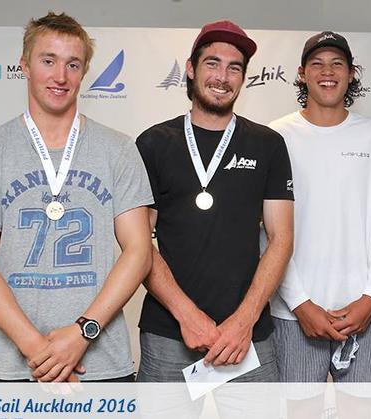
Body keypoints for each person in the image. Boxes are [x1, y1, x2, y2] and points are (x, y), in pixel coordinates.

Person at [0, 12, 153, 382]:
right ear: (24, 65)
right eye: (48, 61)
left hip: (101, 366)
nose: (60, 76)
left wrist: (82, 332)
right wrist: (40, 352)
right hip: (17, 367)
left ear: (84, 72)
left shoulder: (118, 149)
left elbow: (138, 251)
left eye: (72, 64)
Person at [135, 20, 294, 384]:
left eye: (234, 68)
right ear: (190, 69)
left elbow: (281, 238)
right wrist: (188, 316)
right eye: (212, 63)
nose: (222, 76)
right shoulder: (154, 144)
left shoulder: (267, 144)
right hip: (168, 332)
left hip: (247, 336)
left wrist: (244, 320)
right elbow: (138, 244)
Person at [268, 31, 371, 387]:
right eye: (317, 64)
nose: (327, 72)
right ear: (301, 73)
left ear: (351, 73)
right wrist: (300, 303)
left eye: (337, 64)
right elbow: (267, 231)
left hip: (366, 312)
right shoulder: (274, 137)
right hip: (292, 314)